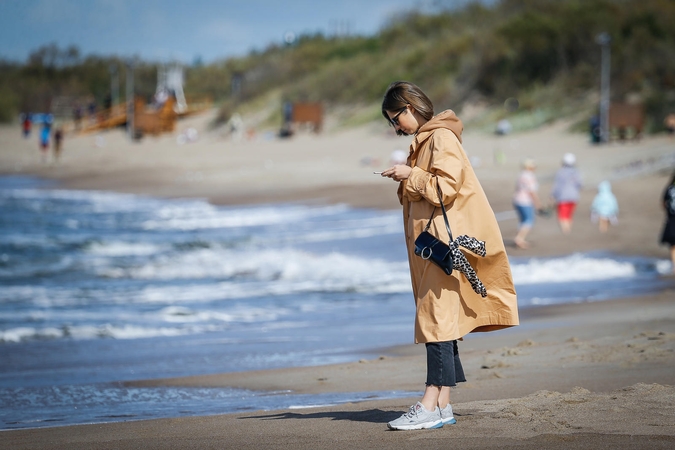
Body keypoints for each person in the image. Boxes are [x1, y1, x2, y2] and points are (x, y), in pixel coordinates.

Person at [379, 81, 519, 431]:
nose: (395, 127)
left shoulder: (440, 138)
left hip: (441, 244)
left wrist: (410, 174)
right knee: (440, 318)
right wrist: (408, 176)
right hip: (432, 244)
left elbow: (446, 187)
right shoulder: (427, 140)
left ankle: (429, 402)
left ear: (410, 107)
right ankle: (442, 403)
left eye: (396, 118)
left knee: (436, 319)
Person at [512, 158, 541, 249]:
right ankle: (519, 238)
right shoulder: (530, 176)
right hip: (525, 201)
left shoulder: (521, 175)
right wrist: (538, 203)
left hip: (517, 200)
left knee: (523, 221)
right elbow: (531, 191)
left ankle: (520, 238)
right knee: (528, 221)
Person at [551, 152, 582, 234]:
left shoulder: (560, 172)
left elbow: (557, 186)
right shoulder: (576, 172)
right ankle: (568, 230)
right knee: (569, 215)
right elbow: (580, 184)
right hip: (574, 197)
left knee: (562, 216)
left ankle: (566, 232)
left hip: (562, 197)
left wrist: (552, 195)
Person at [660, 171, 675, 274]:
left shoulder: (669, 188)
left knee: (673, 244)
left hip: (672, 218)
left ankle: (674, 265)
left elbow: (663, 203)